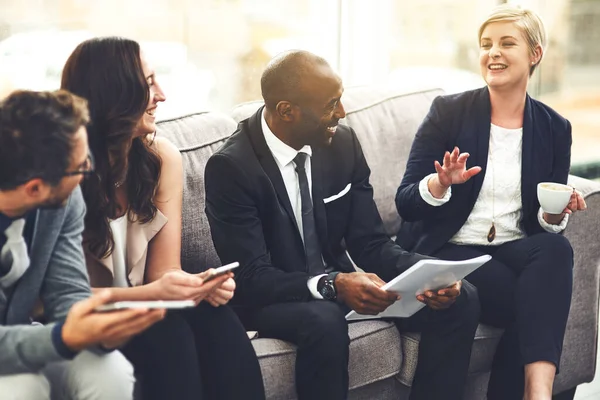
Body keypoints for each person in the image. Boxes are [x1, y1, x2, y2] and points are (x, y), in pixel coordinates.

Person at [205, 50, 481, 400]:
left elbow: (371, 243)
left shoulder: (342, 144)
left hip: (338, 287)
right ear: (287, 111)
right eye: (330, 104)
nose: (341, 112)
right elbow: (252, 276)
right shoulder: (231, 168)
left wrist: (432, 276)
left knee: (461, 297)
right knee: (324, 321)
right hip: (271, 298)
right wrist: (333, 284)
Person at [395, 5, 587, 400]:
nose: (492, 53)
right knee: (533, 299)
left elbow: (543, 222)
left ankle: (539, 393)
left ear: (534, 54)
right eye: (486, 45)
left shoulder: (554, 128)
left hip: (515, 248)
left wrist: (556, 212)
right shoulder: (448, 112)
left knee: (555, 249)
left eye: (506, 43)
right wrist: (440, 183)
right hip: (453, 250)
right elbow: (406, 202)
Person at [61, 37, 265, 400]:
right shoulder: (63, 173)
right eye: (149, 83)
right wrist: (154, 294)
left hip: (141, 310)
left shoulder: (161, 158)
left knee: (214, 316)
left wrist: (197, 285)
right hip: (82, 322)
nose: (162, 94)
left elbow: (163, 272)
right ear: (115, 93)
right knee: (165, 330)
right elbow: (60, 298)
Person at [0, 89, 166, 400]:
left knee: (109, 371)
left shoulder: (63, 197)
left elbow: (67, 291)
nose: (88, 170)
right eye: (80, 166)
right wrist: (61, 339)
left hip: (30, 335)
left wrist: (102, 332)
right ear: (34, 188)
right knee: (23, 387)